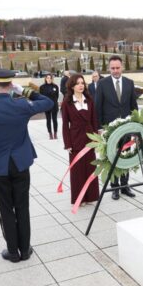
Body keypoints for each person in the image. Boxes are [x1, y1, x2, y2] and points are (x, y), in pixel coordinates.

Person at [0, 69, 54, 263]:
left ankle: (12, 252)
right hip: (21, 164)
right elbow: (48, 102)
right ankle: (25, 249)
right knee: (22, 207)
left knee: (6, 209)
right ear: (10, 85)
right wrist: (23, 90)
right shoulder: (21, 104)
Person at [94, 55, 139, 201]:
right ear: (109, 68)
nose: (115, 70)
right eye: (112, 68)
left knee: (125, 156)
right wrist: (99, 128)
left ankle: (125, 185)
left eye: (117, 68)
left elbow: (134, 106)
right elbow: (97, 107)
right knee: (112, 157)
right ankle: (115, 187)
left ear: (122, 67)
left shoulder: (129, 83)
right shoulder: (102, 84)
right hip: (109, 129)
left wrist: (136, 125)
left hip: (126, 129)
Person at [62, 74, 99, 205]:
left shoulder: (89, 100)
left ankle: (91, 196)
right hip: (75, 139)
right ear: (72, 86)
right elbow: (65, 125)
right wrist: (67, 144)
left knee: (90, 168)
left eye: (82, 83)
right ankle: (79, 198)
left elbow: (94, 120)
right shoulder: (67, 102)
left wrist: (96, 138)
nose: (81, 85)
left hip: (90, 138)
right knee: (77, 171)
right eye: (77, 83)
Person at [39, 74, 60, 139]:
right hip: (47, 105)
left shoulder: (55, 86)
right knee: (48, 120)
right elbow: (41, 97)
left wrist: (54, 102)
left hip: (54, 105)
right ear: (45, 79)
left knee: (54, 119)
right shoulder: (42, 87)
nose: (49, 79)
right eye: (47, 78)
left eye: (50, 78)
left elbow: (57, 96)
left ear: (52, 79)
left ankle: (55, 133)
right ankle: (50, 133)